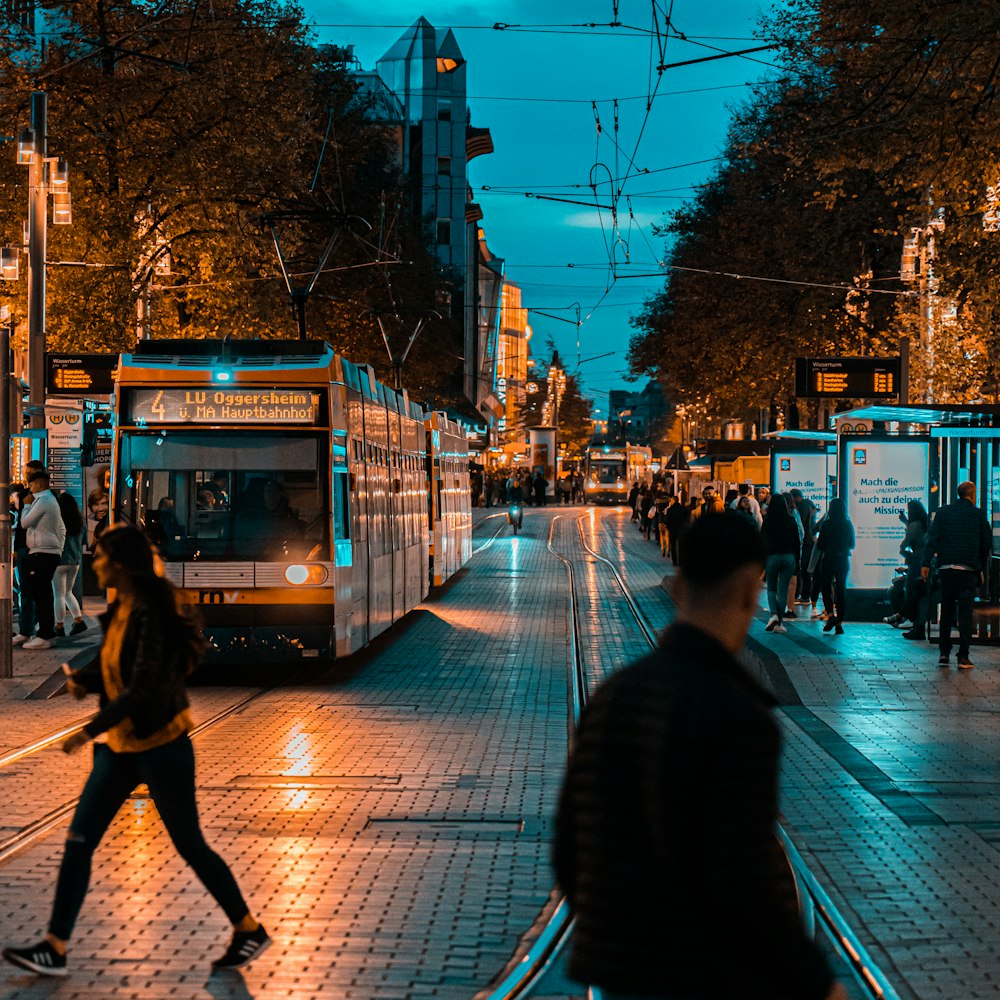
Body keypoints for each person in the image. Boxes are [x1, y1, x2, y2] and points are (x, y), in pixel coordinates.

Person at [554, 512, 843, 1000]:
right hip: (705, 976)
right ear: (753, 591)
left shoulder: (614, 696)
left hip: (619, 971)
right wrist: (816, 982)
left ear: (680, 586)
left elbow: (569, 848)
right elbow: (742, 879)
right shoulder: (738, 715)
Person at [2, 526, 270, 977]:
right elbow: (118, 675)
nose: (95, 562)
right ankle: (55, 945)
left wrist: (88, 731)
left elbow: (143, 688)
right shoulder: (122, 607)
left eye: (102, 557)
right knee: (78, 841)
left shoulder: (152, 613)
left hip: (161, 746)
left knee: (190, 845)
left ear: (122, 565)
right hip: (121, 749)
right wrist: (83, 682)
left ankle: (248, 928)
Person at [921, 481, 992, 669]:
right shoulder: (978, 515)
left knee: (947, 611)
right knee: (965, 614)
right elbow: (986, 543)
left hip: (947, 569)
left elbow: (932, 538)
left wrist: (926, 563)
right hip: (968, 570)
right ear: (972, 494)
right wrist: (980, 568)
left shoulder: (944, 513)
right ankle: (963, 656)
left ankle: (944, 653)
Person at [18, 470, 67, 650]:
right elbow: (62, 529)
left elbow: (24, 523)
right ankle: (44, 632)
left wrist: (26, 506)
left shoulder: (44, 501)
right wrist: (59, 548)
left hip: (43, 552)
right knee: (42, 592)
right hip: (45, 551)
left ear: (38, 483)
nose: (29, 489)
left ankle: (45, 634)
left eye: (30, 485)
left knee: (41, 593)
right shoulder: (49, 500)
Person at [885, 500, 929, 637]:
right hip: (923, 562)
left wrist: (904, 552)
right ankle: (909, 621)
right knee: (916, 592)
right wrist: (905, 522)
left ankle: (908, 620)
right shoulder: (925, 524)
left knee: (911, 591)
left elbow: (906, 543)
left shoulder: (914, 525)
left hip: (916, 561)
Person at [816, 497, 856, 635]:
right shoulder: (847, 524)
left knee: (826, 588)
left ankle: (830, 616)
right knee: (840, 590)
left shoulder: (827, 524)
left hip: (828, 559)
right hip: (843, 559)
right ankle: (839, 623)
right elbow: (852, 544)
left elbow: (820, 544)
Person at [761, 493, 800, 634]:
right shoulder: (791, 520)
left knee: (771, 589)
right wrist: (797, 560)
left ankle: (774, 615)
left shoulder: (767, 520)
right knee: (783, 589)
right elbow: (797, 542)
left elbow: (762, 542)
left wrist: (762, 561)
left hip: (773, 557)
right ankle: (780, 624)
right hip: (789, 557)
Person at [54, 492, 88, 638]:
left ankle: (59, 626)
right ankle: (79, 621)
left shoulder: (57, 521)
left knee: (58, 595)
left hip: (59, 561)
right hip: (75, 561)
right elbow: (84, 542)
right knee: (68, 593)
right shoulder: (80, 522)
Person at [790, 490, 818, 606]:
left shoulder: (802, 507)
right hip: (810, 539)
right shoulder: (810, 505)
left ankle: (802, 595)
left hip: (805, 540)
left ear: (796, 498)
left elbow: (800, 523)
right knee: (806, 568)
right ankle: (805, 595)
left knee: (802, 568)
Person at [663, 493, 691, 566]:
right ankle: (681, 561)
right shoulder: (684, 509)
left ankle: (674, 561)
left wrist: (668, 528)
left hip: (673, 529)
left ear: (673, 500)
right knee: (681, 545)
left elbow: (667, 520)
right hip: (681, 529)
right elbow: (687, 518)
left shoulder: (670, 510)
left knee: (673, 545)